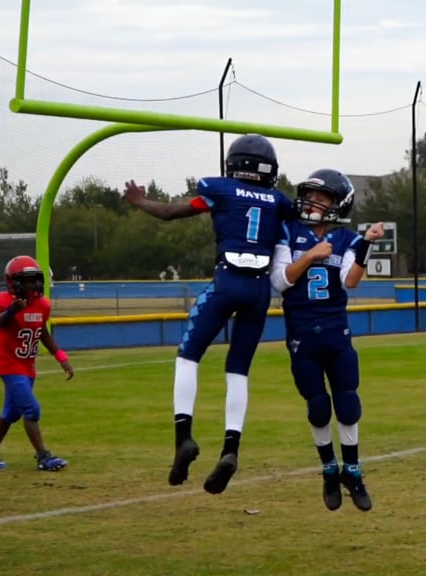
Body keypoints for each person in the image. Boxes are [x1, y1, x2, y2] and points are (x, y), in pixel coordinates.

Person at [124, 134, 294, 494]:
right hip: (259, 290)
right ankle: (231, 448)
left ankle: (183, 437)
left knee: (188, 358)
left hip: (228, 281)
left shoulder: (219, 189)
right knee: (238, 371)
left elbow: (171, 213)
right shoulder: (279, 202)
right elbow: (298, 226)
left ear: (234, 164)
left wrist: (139, 201)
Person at [269, 169, 382, 512]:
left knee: (347, 402)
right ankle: (329, 470)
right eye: (310, 196)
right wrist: (310, 255)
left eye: (321, 198)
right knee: (318, 407)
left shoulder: (347, 239)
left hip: (336, 333)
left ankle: (353, 470)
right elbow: (280, 281)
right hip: (302, 335)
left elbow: (351, 281)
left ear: (338, 204)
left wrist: (366, 247)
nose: (311, 202)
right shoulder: (288, 231)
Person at [0, 255, 74, 471]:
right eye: (26, 280)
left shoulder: (41, 305)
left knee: (11, 413)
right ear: (13, 282)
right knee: (31, 410)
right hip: (8, 364)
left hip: (26, 365)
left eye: (34, 280)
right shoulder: (3, 303)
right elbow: (0, 323)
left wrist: (60, 357)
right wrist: (13, 309)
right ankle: (44, 457)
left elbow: (41, 331)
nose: (32, 285)